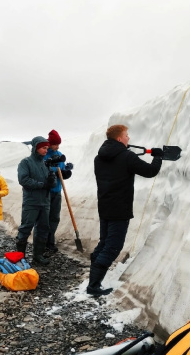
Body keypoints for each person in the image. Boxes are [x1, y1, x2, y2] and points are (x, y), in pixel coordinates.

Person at [88, 125, 164, 296]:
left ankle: (93, 277)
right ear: (119, 138)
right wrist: (158, 157)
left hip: (105, 206)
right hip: (120, 209)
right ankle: (93, 286)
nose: (129, 138)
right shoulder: (126, 156)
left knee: (104, 242)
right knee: (113, 246)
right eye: (126, 135)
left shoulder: (98, 158)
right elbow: (150, 171)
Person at [16, 136, 55, 265]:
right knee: (26, 227)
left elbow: (51, 183)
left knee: (43, 228)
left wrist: (51, 181)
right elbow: (24, 180)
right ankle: (20, 257)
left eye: (47, 148)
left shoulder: (45, 164)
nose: (46, 150)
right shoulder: (25, 162)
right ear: (36, 147)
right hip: (31, 201)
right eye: (43, 147)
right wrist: (42, 184)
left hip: (45, 202)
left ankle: (38, 255)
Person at [43, 129, 74, 253]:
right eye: (56, 144)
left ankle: (50, 241)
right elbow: (43, 171)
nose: (58, 146)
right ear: (50, 143)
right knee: (44, 217)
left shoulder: (60, 154)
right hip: (46, 192)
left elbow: (62, 171)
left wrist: (66, 171)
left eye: (58, 144)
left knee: (55, 217)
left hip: (57, 191)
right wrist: (55, 171)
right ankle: (42, 241)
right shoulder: (44, 154)